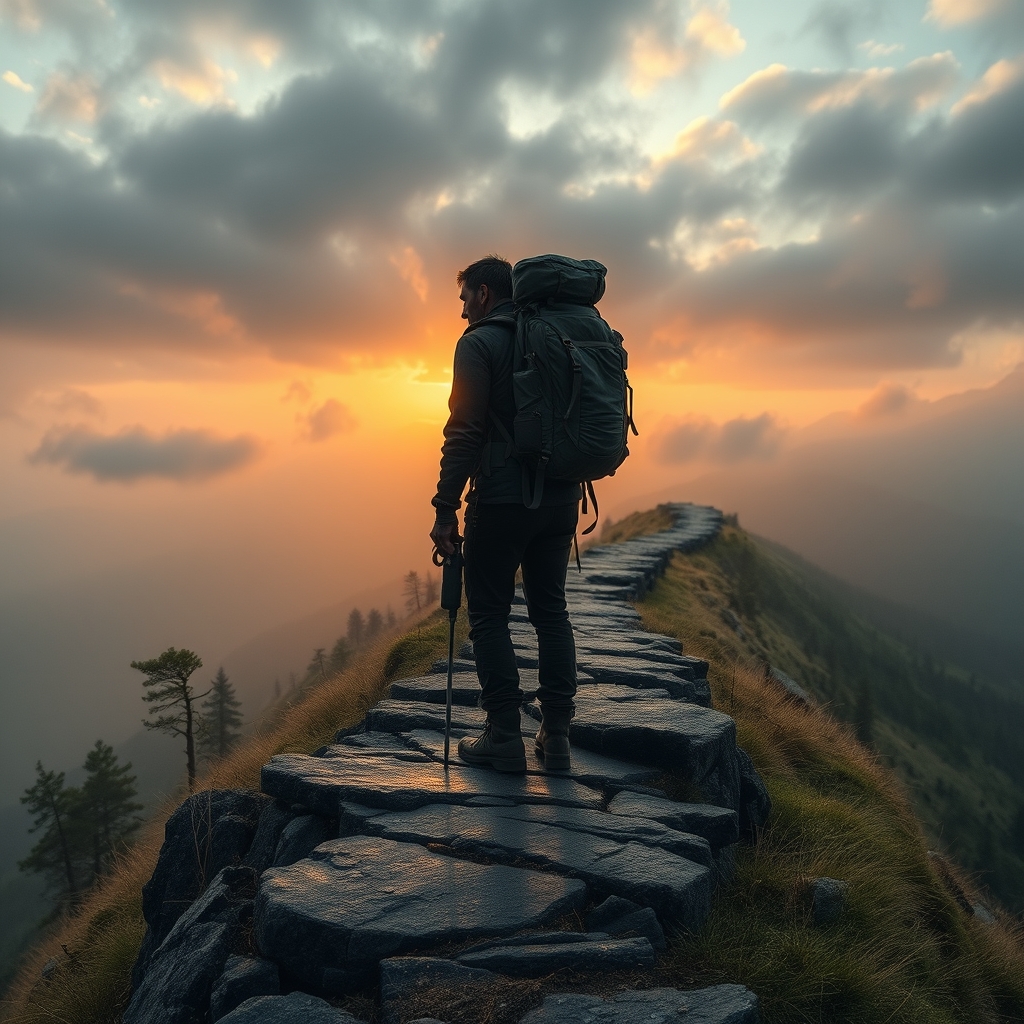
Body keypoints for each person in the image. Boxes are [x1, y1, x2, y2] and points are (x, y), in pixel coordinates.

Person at [430, 255, 581, 773]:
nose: (462, 311)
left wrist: (445, 507)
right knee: (551, 612)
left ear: (485, 294)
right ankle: (556, 737)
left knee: (490, 613)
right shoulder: (556, 335)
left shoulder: (477, 344)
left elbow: (465, 432)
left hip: (500, 500)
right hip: (562, 498)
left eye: (465, 298)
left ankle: (503, 735)